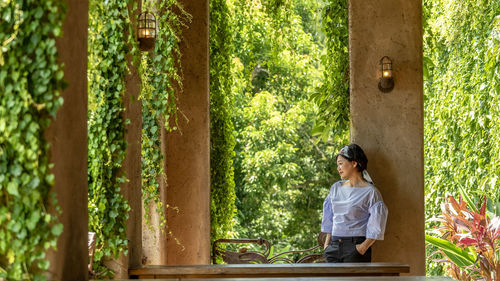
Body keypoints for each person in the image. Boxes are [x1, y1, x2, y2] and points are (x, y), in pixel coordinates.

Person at [321, 144, 388, 263]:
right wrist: (327, 245)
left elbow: (377, 224)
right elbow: (329, 218)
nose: (338, 168)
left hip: (356, 248)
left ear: (354, 163)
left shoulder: (370, 192)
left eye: (341, 163)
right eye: (338, 165)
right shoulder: (336, 188)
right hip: (333, 246)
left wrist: (362, 248)